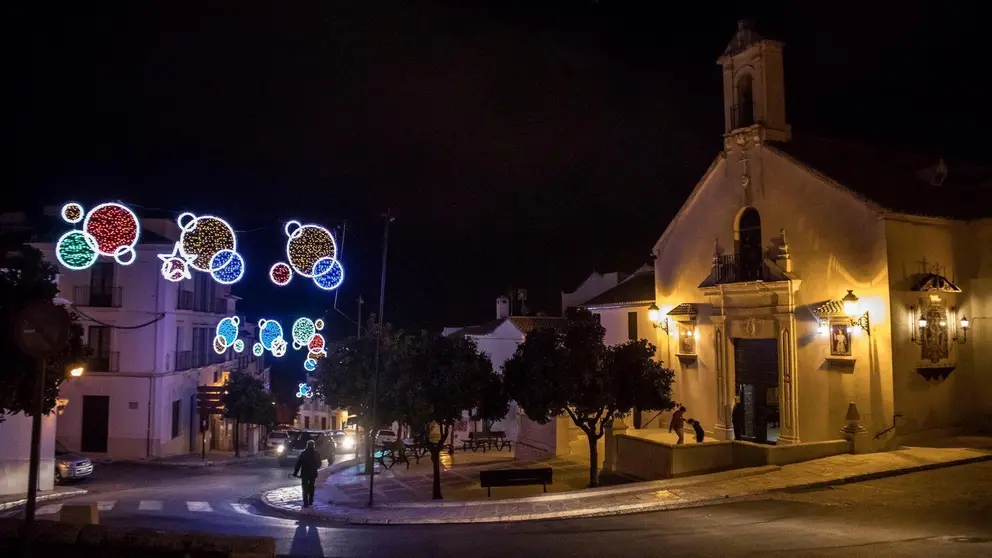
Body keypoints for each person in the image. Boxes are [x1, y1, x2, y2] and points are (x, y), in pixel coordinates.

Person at [293, 439, 322, 508]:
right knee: (311, 486)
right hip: (313, 473)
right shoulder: (316, 453)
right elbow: (319, 464)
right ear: (313, 446)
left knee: (304, 487)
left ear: (307, 446)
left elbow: (298, 464)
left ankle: (305, 502)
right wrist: (315, 467)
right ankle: (311, 500)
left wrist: (295, 473)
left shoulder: (304, 453)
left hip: (305, 473)